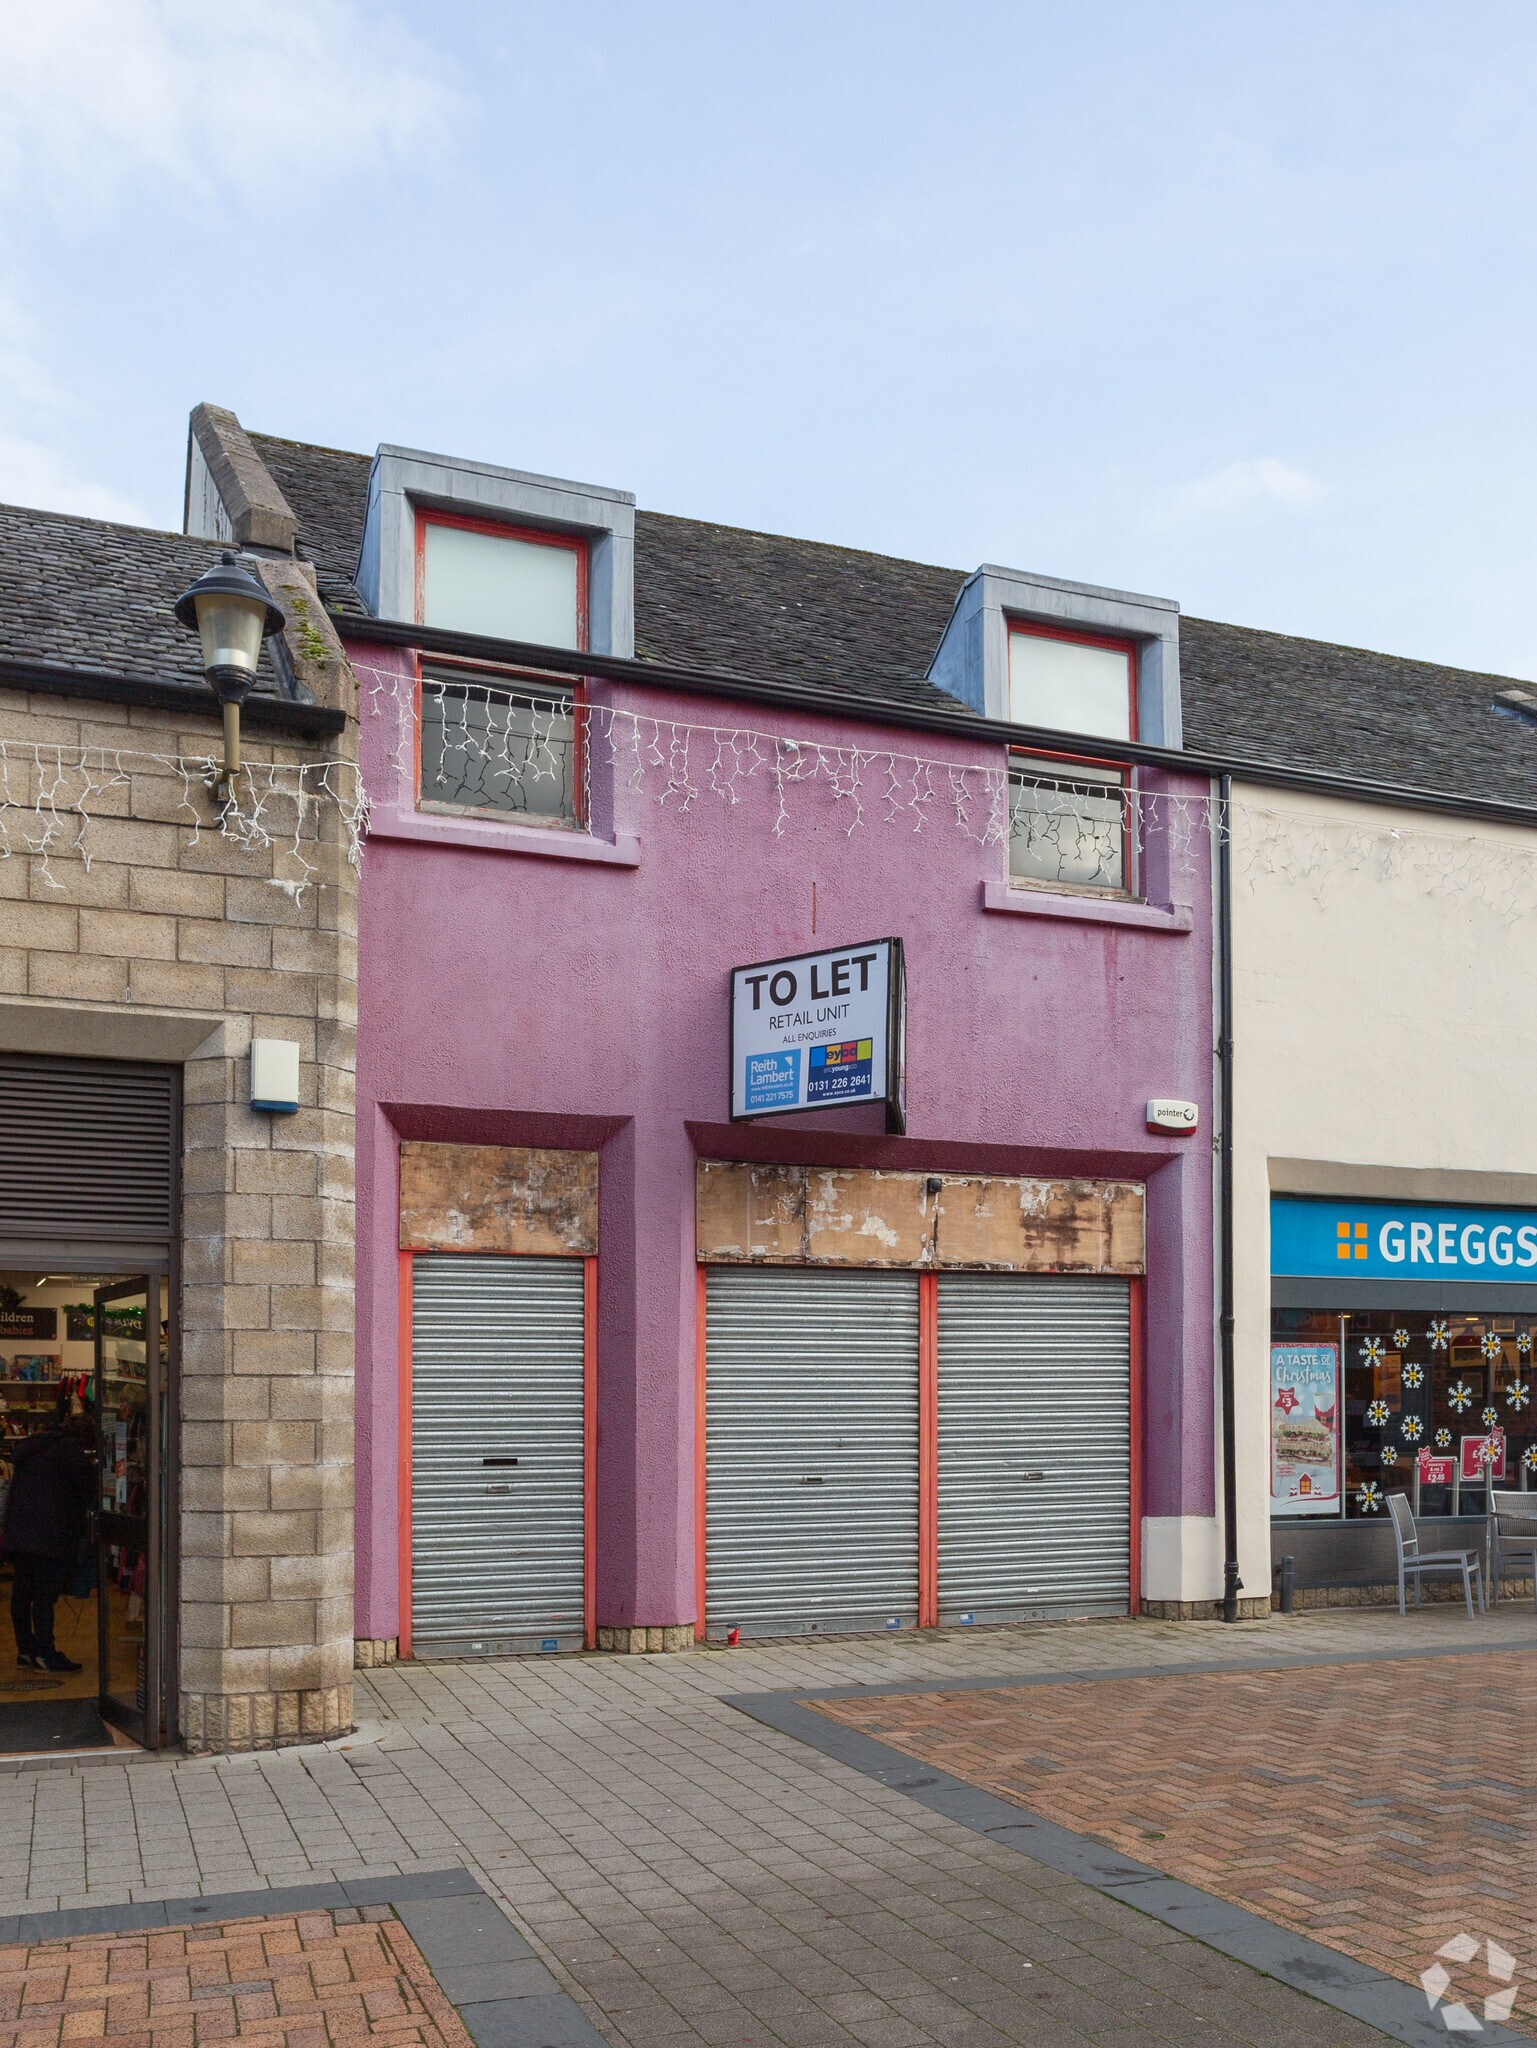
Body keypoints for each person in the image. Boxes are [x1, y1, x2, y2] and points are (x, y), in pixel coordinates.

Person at [4, 1407, 95, 1673]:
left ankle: (26, 1650)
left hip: (20, 1531)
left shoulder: (35, 1445)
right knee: (44, 1595)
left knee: (22, 1592)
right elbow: (89, 1483)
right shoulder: (67, 1449)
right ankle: (45, 1653)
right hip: (49, 1533)